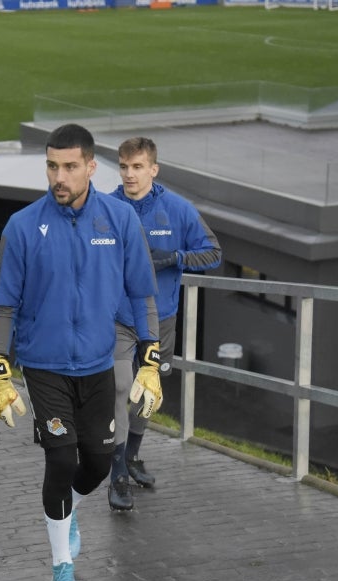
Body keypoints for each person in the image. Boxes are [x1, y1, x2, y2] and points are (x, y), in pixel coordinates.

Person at [0, 124, 163, 581]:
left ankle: (66, 514)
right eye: (51, 166)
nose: (58, 176)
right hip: (43, 367)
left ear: (90, 167)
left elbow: (142, 293)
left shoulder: (120, 221)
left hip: (98, 365)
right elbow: (4, 306)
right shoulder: (22, 227)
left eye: (68, 166)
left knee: (101, 463)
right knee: (61, 460)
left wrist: (150, 358)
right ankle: (62, 565)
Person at [107, 136, 223, 511]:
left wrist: (174, 257)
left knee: (148, 394)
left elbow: (213, 254)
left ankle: (133, 456)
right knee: (121, 387)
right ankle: (117, 475)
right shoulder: (105, 207)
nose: (129, 174)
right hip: (120, 318)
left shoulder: (178, 209)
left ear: (153, 170)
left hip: (162, 320)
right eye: (124, 167)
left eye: (137, 167)